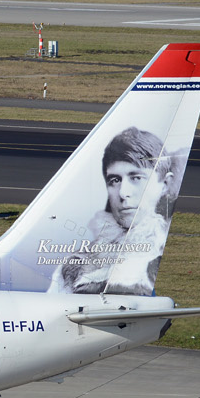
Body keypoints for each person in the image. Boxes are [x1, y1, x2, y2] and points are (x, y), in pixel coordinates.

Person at [48, 126, 175, 296]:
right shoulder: (78, 260)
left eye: (136, 178)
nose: (123, 193)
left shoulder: (153, 253)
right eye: (114, 180)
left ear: (165, 185)